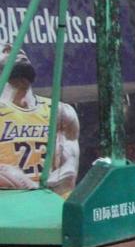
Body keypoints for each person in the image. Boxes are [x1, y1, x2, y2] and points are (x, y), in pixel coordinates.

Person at [0, 44, 80, 194]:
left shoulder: (61, 111)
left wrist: (30, 186)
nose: (14, 48)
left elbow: (69, 174)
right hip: (9, 206)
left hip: (52, 204)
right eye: (4, 49)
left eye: (18, 48)